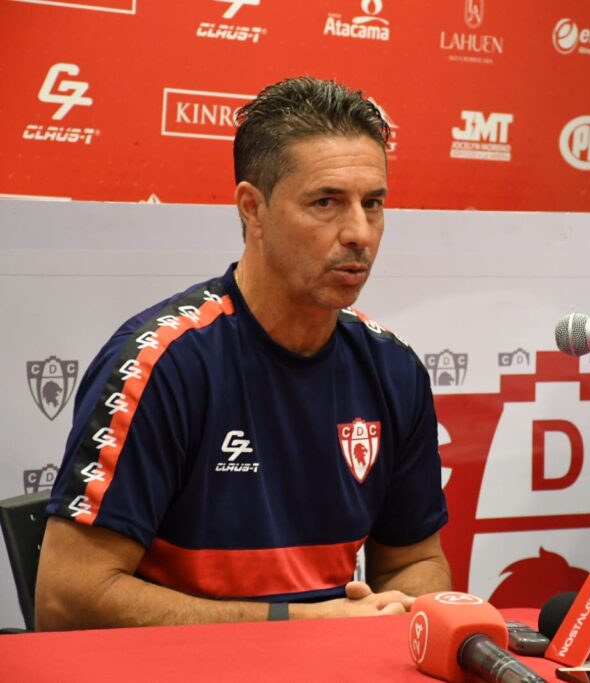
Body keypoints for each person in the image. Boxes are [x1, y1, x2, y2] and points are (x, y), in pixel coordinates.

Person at [35, 77, 451, 630]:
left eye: (373, 204)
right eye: (326, 202)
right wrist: (291, 627)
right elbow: (66, 601)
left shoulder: (393, 370)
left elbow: (414, 560)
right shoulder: (164, 364)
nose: (359, 232)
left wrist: (396, 610)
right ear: (252, 209)